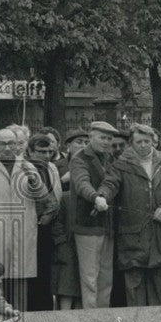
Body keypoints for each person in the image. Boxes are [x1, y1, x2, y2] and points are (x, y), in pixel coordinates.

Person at [0, 128, 56, 310]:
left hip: (23, 230)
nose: (7, 148)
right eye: (2, 143)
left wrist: (34, 181)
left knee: (21, 278)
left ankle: (20, 319)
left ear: (17, 145)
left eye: (11, 143)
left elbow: (44, 199)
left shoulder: (28, 166)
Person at [96, 123, 161, 306]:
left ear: (153, 142)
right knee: (133, 283)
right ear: (131, 143)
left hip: (159, 234)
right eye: (139, 141)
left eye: (147, 141)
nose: (144, 145)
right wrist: (102, 196)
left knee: (156, 282)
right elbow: (110, 184)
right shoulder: (121, 164)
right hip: (132, 234)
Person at [69, 121, 119, 309]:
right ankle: (91, 317)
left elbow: (113, 182)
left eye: (109, 138)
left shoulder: (110, 158)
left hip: (107, 226)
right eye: (102, 138)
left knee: (106, 276)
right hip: (87, 226)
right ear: (91, 137)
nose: (106, 142)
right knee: (90, 277)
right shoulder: (79, 158)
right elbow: (81, 183)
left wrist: (104, 195)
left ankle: (103, 315)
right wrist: (95, 197)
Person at [27, 134, 63, 310]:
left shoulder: (51, 168)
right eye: (41, 152)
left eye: (49, 151)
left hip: (48, 224)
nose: (47, 155)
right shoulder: (27, 170)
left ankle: (45, 306)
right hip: (33, 224)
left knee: (46, 269)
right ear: (31, 152)